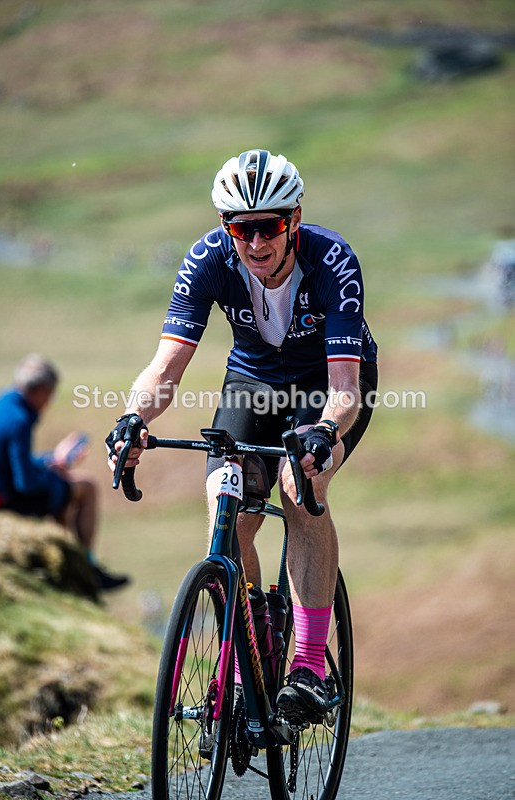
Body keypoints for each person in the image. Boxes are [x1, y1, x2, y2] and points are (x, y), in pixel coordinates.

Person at [106, 149, 378, 719]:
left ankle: (306, 664)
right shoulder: (207, 260)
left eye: (269, 227)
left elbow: (346, 389)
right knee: (225, 501)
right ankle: (249, 650)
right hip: (252, 379)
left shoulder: (333, 261)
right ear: (225, 227)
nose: (256, 243)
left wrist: (324, 432)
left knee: (299, 484)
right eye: (241, 228)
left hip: (322, 387)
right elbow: (165, 369)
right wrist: (133, 420)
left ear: (294, 219)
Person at [0, 354, 129, 591]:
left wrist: (51, 461)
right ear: (40, 390)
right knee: (86, 487)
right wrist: (55, 477)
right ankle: (87, 566)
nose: (48, 402)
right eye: (50, 395)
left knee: (61, 486)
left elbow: (8, 464)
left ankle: (71, 563)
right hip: (0, 499)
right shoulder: (19, 419)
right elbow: (25, 484)